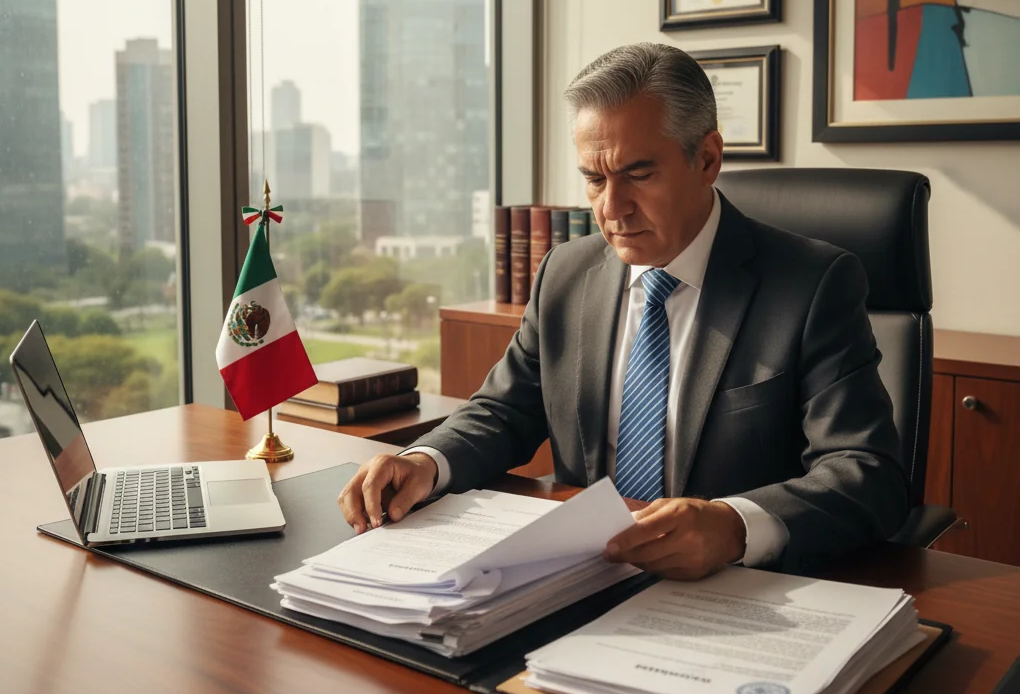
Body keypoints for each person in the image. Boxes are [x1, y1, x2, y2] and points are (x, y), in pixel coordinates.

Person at [339, 43, 909, 578]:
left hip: (729, 590)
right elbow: (504, 412)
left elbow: (866, 474)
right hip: (577, 576)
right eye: (594, 179)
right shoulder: (565, 272)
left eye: (639, 174)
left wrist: (736, 525)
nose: (612, 208)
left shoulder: (812, 285)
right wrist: (427, 460)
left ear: (707, 159)